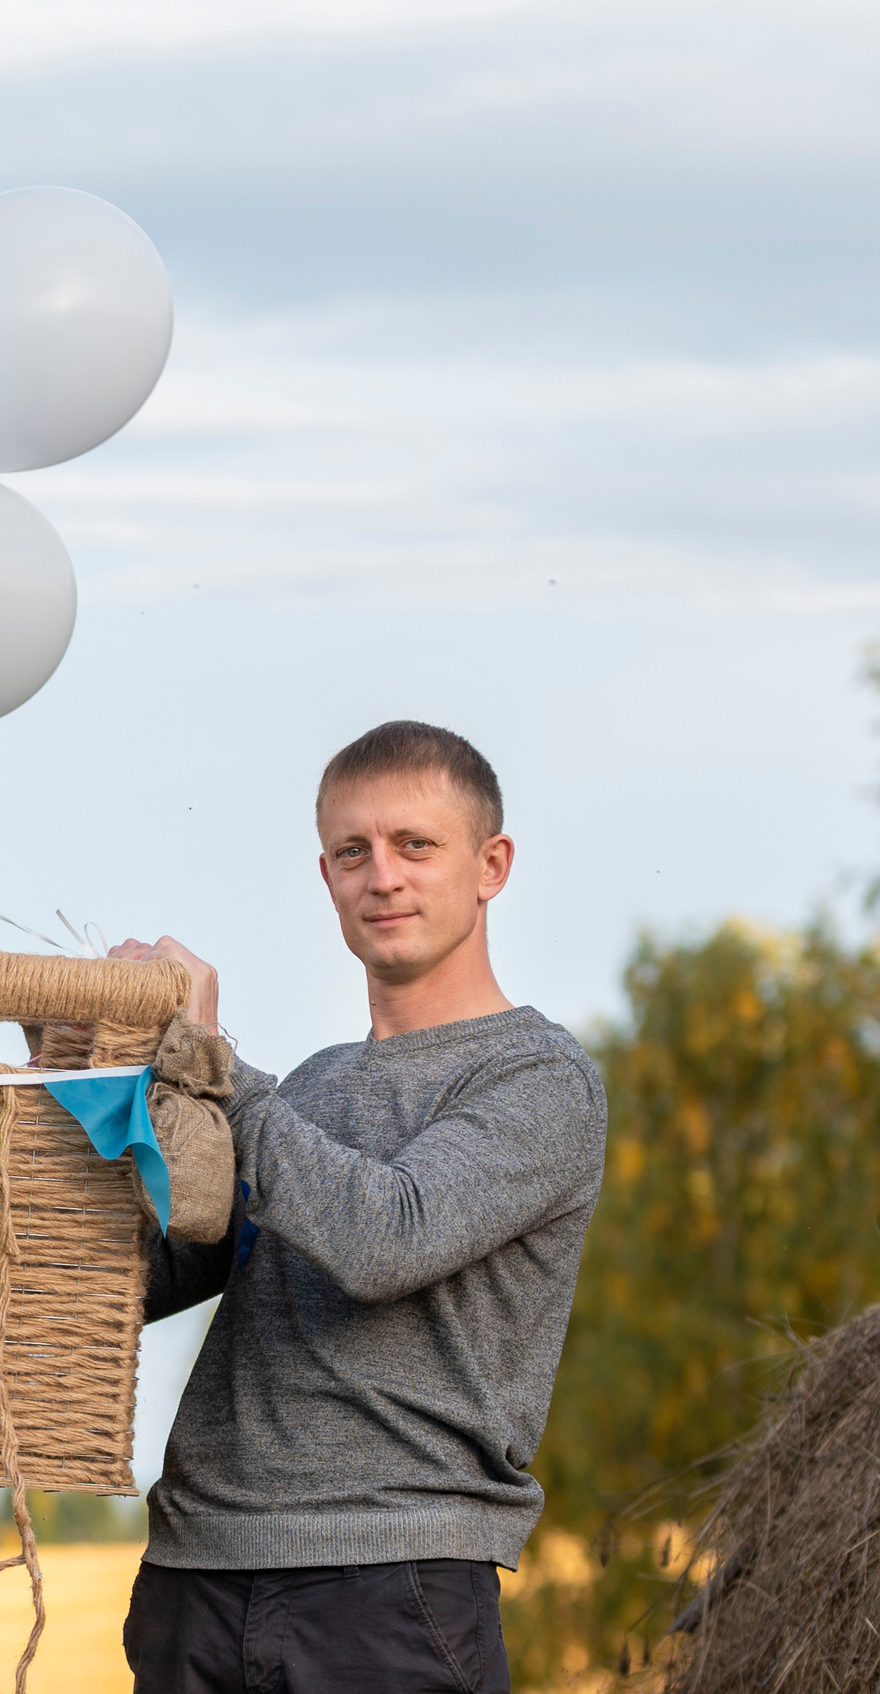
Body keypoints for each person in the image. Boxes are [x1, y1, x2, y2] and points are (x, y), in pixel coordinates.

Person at [114, 721, 608, 1694]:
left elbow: (383, 1235)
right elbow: (154, 1267)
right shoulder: (306, 1086)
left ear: (490, 864)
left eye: (414, 845)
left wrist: (207, 1061)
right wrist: (77, 1076)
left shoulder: (541, 1078)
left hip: (393, 1587)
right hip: (195, 1571)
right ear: (327, 873)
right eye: (352, 851)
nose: (380, 876)